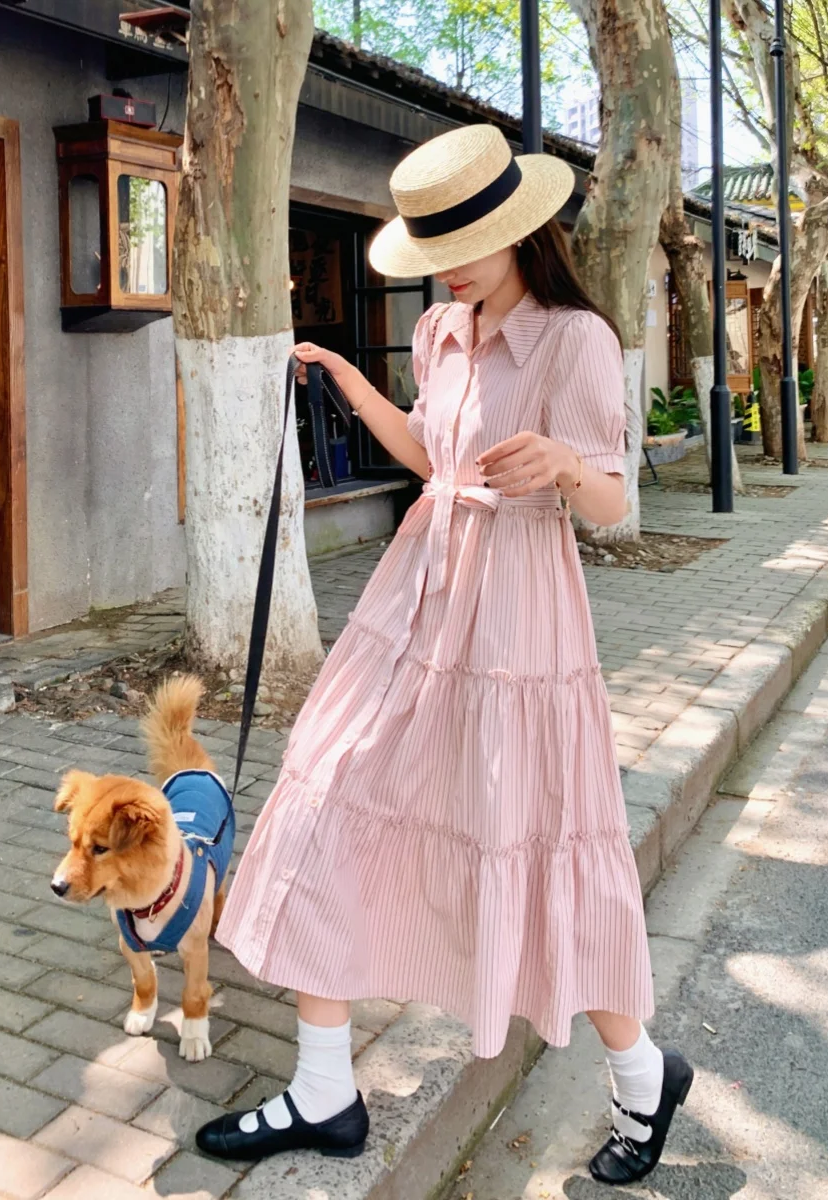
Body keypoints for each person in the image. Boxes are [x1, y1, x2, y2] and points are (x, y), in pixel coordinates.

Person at [196, 124, 692, 1186]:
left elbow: (612, 507)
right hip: (419, 595)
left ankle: (644, 1075)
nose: (452, 263)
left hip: (518, 617)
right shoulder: (438, 332)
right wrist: (342, 380)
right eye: (436, 247)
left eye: (467, 240)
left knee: (542, 844)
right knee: (325, 798)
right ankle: (325, 1091)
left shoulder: (575, 340)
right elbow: (434, 453)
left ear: (520, 230)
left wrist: (563, 460)